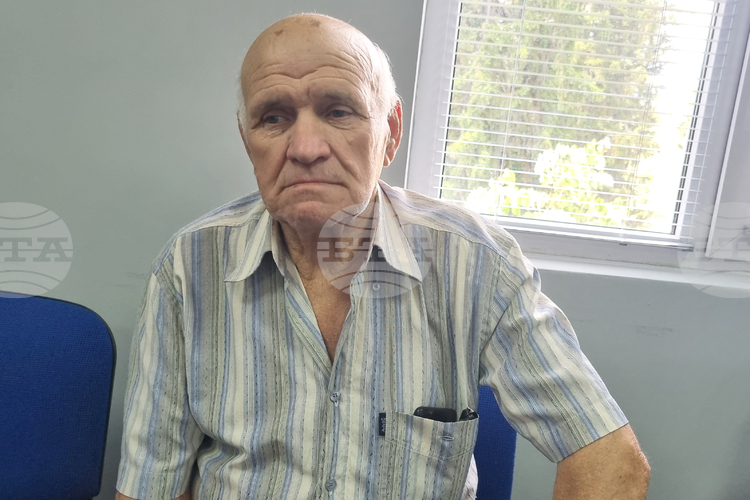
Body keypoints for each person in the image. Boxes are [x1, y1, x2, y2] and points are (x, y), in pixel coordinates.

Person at [115, 13, 650, 500]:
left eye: (338, 111)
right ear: (246, 138)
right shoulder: (189, 268)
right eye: (274, 118)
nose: (305, 148)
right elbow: (151, 487)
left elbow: (610, 459)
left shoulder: (475, 264)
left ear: (390, 132)